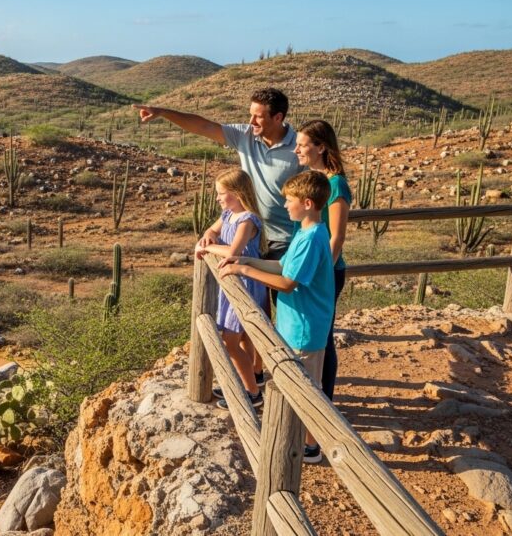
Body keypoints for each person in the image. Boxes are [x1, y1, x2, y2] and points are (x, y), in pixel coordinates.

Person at [135, 88, 304, 383]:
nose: (251, 120)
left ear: (278, 117)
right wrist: (163, 112)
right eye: (250, 114)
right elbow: (203, 126)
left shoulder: (297, 150)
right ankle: (258, 373)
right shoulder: (245, 136)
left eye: (258, 116)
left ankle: (295, 378)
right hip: (252, 237)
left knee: (285, 311)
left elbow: (317, 185)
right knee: (256, 311)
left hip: (284, 240)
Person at [217, 170, 335, 464]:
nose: (285, 206)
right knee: (297, 384)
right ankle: (304, 441)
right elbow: (282, 266)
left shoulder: (311, 238)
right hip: (297, 322)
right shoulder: (306, 232)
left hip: (305, 327)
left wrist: (244, 270)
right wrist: (245, 259)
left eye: (289, 200)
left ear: (307, 203)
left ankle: (311, 445)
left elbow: (287, 282)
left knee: (306, 389)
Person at [194, 169, 269, 410]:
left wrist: (206, 250)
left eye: (221, 193)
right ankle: (252, 377)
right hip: (232, 282)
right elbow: (213, 231)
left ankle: (252, 392)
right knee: (243, 336)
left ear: (237, 194)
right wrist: (207, 236)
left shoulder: (247, 220)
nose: (217, 198)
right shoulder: (228, 214)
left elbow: (234, 252)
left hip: (245, 283)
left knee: (230, 340)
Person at [294, 120, 351, 402]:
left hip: (325, 272)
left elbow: (337, 237)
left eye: (303, 145)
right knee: (316, 336)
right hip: (312, 270)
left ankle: (324, 402)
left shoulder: (335, 183)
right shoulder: (314, 180)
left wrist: (319, 274)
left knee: (323, 337)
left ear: (321, 147)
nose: (296, 150)